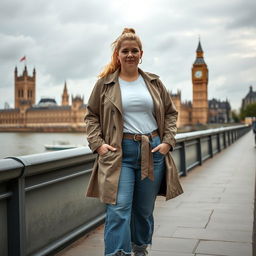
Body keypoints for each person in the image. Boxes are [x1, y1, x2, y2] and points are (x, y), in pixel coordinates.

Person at [84, 28, 183, 256]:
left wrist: (168, 141)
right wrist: (98, 144)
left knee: (143, 211)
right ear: (117, 55)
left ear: (141, 54)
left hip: (153, 150)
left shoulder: (154, 82)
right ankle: (117, 253)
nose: (130, 54)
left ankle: (140, 250)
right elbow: (91, 116)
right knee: (118, 209)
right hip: (120, 153)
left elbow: (170, 113)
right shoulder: (105, 84)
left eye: (134, 51)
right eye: (125, 51)